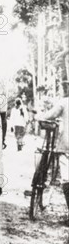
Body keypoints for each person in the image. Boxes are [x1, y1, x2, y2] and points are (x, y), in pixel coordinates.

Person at [36, 80, 69, 208]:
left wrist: (39, 116)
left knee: (67, 178)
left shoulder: (64, 102)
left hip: (67, 146)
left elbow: (50, 115)